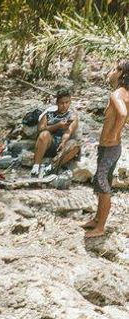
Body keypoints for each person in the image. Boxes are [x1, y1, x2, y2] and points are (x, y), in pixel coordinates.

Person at [83, 60, 129, 239]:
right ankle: (96, 220)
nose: (110, 72)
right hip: (113, 147)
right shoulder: (126, 94)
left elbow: (123, 114)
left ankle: (100, 227)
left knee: (103, 187)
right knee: (104, 182)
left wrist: (114, 132)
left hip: (109, 146)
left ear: (121, 74)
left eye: (114, 69)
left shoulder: (116, 94)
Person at [30, 88, 80, 179]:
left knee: (75, 146)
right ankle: (35, 168)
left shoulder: (72, 116)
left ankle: (51, 167)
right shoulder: (48, 115)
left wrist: (63, 142)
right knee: (44, 134)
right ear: (57, 103)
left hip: (62, 146)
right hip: (48, 144)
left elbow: (68, 132)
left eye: (67, 102)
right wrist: (57, 125)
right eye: (62, 103)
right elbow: (40, 130)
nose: (64, 105)